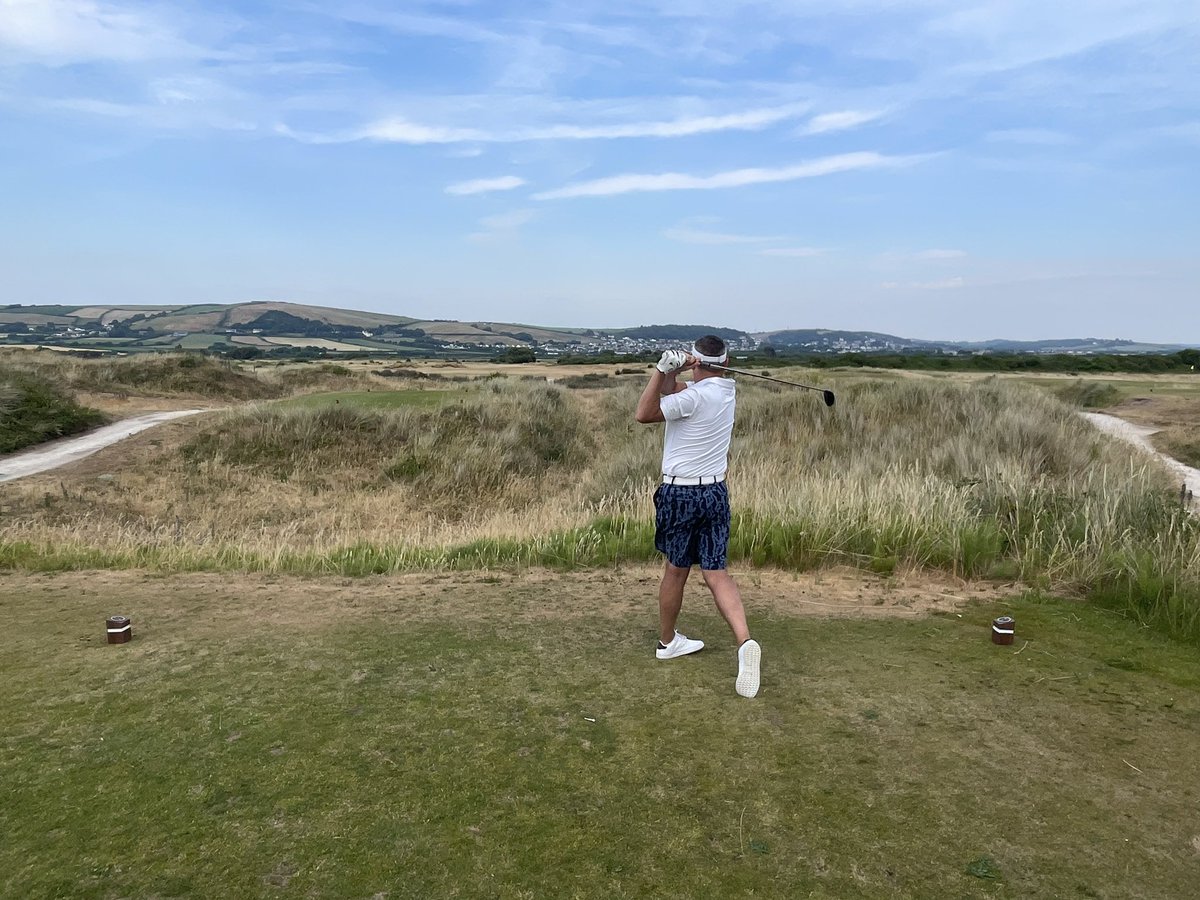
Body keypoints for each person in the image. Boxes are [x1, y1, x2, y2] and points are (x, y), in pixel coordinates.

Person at [634, 335, 761, 698]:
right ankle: (745, 641)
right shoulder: (726, 392)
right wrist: (675, 373)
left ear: (696, 359)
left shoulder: (693, 398)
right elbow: (679, 391)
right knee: (716, 572)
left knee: (676, 570)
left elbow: (644, 413)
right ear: (727, 362)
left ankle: (667, 642)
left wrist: (661, 370)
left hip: (681, 494)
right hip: (715, 491)